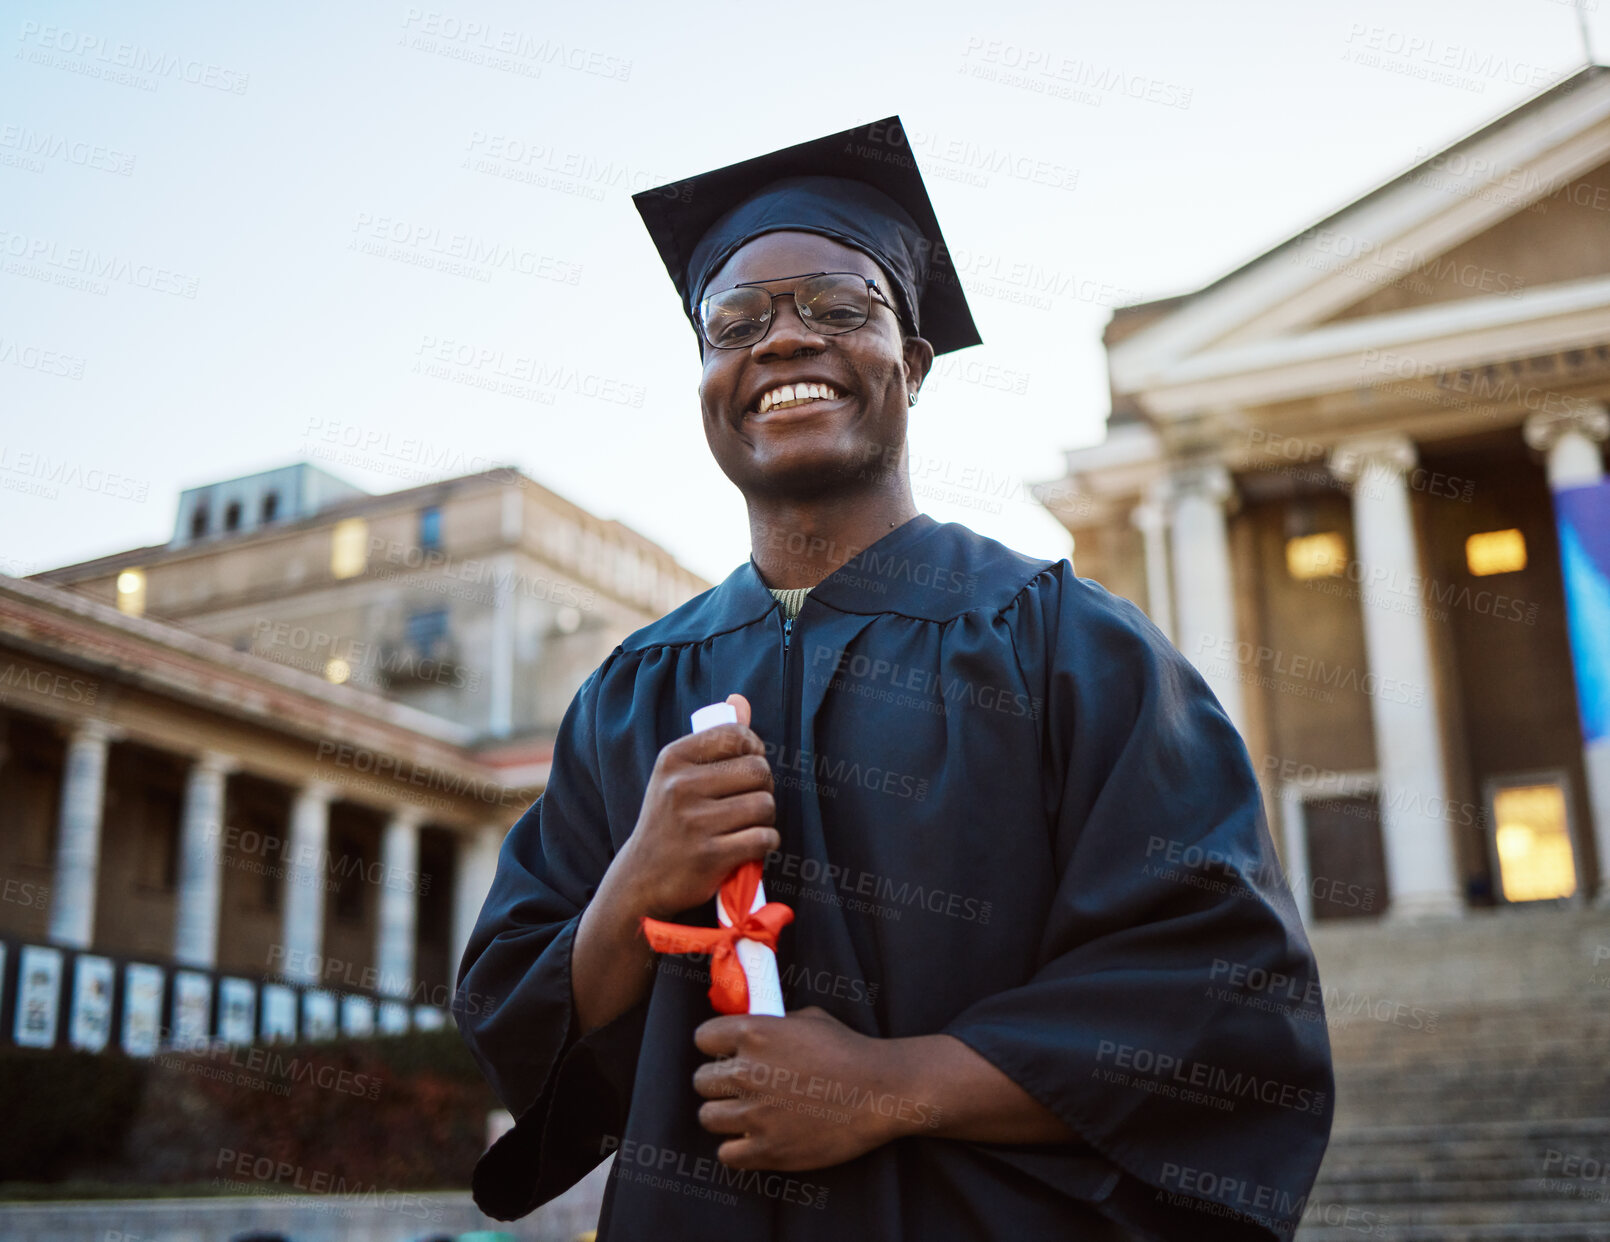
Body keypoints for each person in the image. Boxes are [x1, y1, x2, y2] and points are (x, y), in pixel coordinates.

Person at [455, 117, 1333, 1241]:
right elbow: (510, 1024)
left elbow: (1222, 1002)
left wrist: (887, 1086)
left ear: (910, 365)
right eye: (735, 323)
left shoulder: (1068, 645)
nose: (781, 341)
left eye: (837, 307)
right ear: (707, 382)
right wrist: (634, 886)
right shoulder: (631, 692)